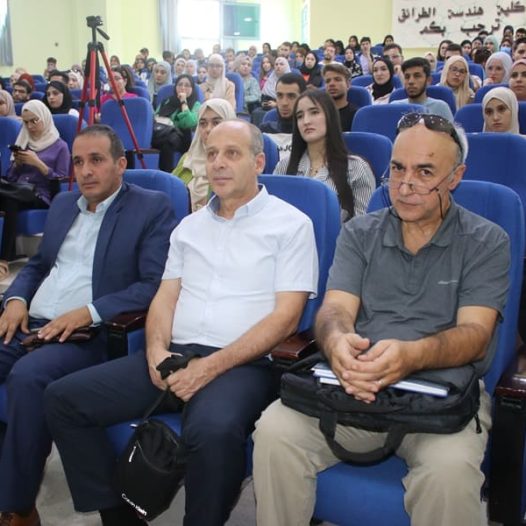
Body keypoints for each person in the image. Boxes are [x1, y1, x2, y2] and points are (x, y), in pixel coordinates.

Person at [45, 119, 318, 526]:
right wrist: (156, 352)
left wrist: (209, 367)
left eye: (232, 153)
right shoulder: (188, 227)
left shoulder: (291, 225)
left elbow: (287, 317)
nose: (218, 163)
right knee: (63, 399)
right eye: (212, 154)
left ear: (259, 162)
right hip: (174, 354)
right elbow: (165, 297)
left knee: (211, 430)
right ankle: (118, 517)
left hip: (242, 364)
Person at [253, 112, 510, 526]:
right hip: (356, 385)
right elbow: (335, 310)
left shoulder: (486, 241)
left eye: (424, 172)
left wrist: (410, 356)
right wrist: (337, 343)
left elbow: (475, 335)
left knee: (448, 472)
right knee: (275, 430)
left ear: (455, 177)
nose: (405, 186)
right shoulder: (360, 233)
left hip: (440, 398)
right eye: (398, 169)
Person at [0, 124, 176, 526]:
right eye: (78, 162)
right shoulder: (64, 204)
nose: (85, 171)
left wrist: (90, 311)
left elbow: (153, 284)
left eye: (96, 160)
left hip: (89, 334)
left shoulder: (151, 207)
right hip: (31, 324)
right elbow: (38, 266)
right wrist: (15, 300)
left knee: (28, 377)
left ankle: (17, 507)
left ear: (121, 164)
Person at [273, 89, 375, 220]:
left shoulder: (356, 168)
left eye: (314, 112)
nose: (306, 121)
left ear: (329, 116)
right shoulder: (283, 167)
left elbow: (363, 227)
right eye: (300, 116)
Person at [1, 100, 70, 265]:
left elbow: (61, 180)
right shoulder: (24, 141)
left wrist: (38, 163)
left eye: (34, 121)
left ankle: (4, 258)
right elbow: (11, 178)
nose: (30, 126)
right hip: (17, 190)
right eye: (26, 122)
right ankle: (9, 253)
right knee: (10, 198)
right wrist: (17, 165)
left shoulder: (61, 146)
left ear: (44, 118)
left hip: (41, 194)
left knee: (10, 201)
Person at [173, 98, 236, 210]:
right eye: (203, 124)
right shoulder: (187, 159)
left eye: (216, 123)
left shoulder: (238, 164)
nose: (208, 129)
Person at [153, 74, 201, 172]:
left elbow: (188, 123)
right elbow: (155, 118)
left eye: (187, 85)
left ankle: (167, 174)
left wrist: (183, 102)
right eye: (180, 85)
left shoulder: (196, 104)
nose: (183, 88)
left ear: (192, 89)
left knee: (168, 143)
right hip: (160, 133)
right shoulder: (167, 101)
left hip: (182, 137)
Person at [259, 74, 307, 159]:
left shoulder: (310, 133)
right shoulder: (264, 131)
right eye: (280, 96)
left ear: (303, 98)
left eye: (291, 96)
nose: (284, 103)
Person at [322, 63, 358, 131]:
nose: (331, 84)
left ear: (348, 85)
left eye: (337, 79)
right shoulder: (319, 114)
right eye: (327, 81)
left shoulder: (357, 115)